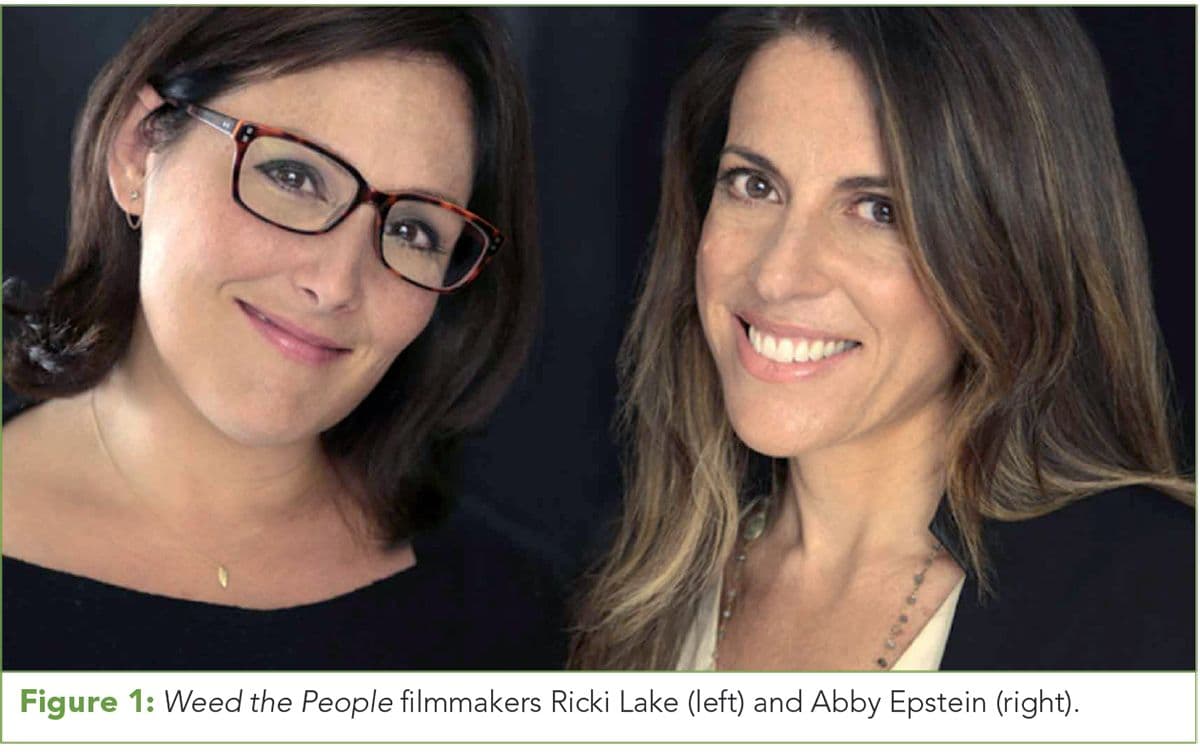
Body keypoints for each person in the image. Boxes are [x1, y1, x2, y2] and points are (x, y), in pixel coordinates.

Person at [570, 7, 1194, 670]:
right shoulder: (628, 586)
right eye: (754, 185)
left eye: (878, 210)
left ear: (1012, 253)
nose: (779, 275)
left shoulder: (1161, 607)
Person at [2, 8, 562, 669]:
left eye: (412, 230)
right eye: (293, 176)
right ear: (137, 147)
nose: (334, 284)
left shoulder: (523, 621)